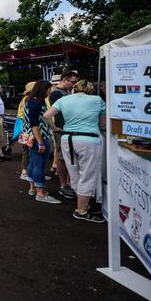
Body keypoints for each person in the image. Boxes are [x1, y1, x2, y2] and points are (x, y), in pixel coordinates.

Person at [44, 80, 106, 222]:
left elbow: (47, 116)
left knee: (75, 174)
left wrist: (55, 128)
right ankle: (81, 211)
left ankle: (82, 204)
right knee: (88, 175)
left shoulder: (64, 99)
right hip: (89, 140)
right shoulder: (97, 100)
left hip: (68, 139)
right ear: (89, 90)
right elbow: (103, 124)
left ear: (75, 89)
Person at [25, 80, 60, 204]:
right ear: (43, 89)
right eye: (49, 89)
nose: (50, 92)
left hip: (32, 138)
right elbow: (34, 124)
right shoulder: (35, 102)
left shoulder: (30, 100)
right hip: (38, 138)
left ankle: (33, 188)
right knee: (39, 165)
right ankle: (40, 192)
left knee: (33, 163)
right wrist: (40, 141)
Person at [49, 71, 79, 200]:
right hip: (61, 129)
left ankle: (67, 183)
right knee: (61, 157)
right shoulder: (56, 93)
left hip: (67, 128)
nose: (74, 85)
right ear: (65, 80)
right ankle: (63, 185)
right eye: (73, 82)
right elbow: (59, 112)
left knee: (66, 156)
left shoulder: (66, 92)